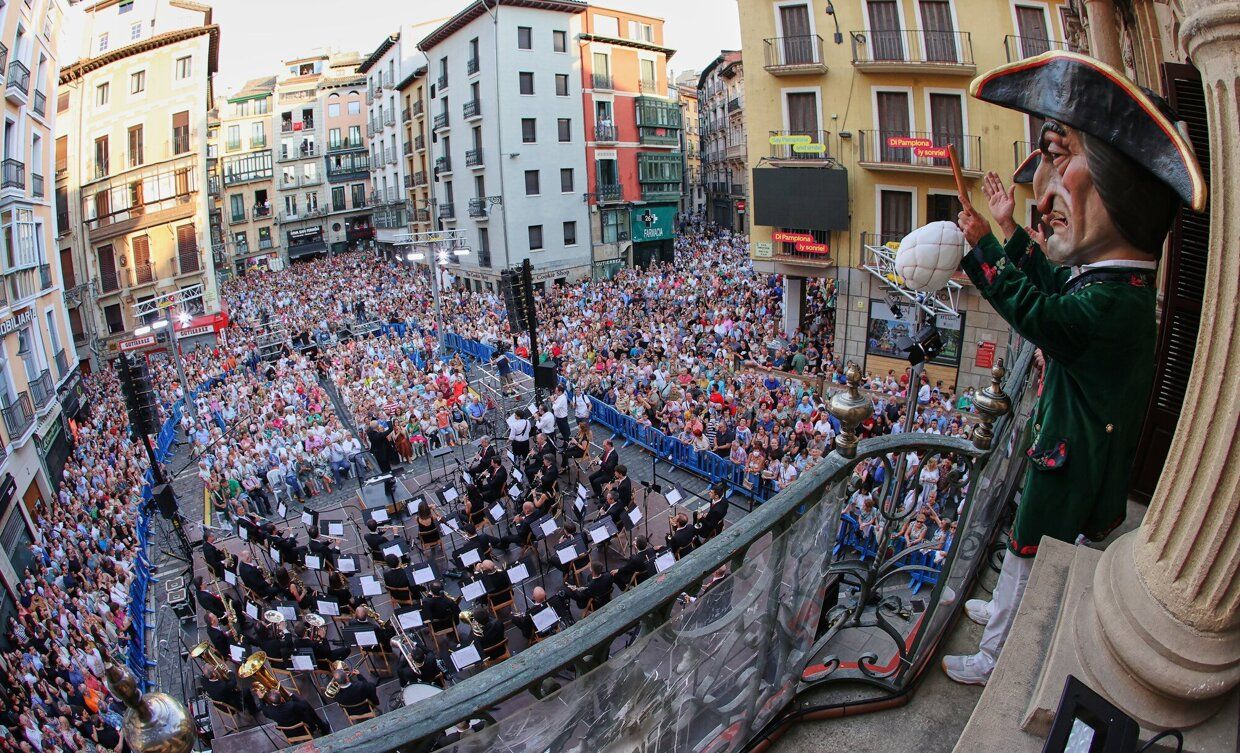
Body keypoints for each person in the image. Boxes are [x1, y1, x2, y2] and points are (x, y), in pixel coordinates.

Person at [942, 51, 1205, 687]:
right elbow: (1052, 284)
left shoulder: (1114, 305)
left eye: (1062, 160)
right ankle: (1003, 616)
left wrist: (979, 251)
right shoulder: (1112, 286)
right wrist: (1001, 229)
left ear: (1126, 186)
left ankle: (996, 654)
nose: (1045, 190)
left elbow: (1042, 312)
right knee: (1027, 546)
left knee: (1031, 547)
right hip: (1072, 445)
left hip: (1074, 458)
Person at [256, 688, 329, 737]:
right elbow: (302, 707)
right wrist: (291, 694)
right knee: (306, 705)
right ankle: (322, 726)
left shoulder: (269, 711)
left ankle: (321, 726)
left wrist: (260, 698)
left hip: (289, 733)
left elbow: (264, 711)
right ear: (281, 698)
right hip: (303, 728)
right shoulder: (292, 705)